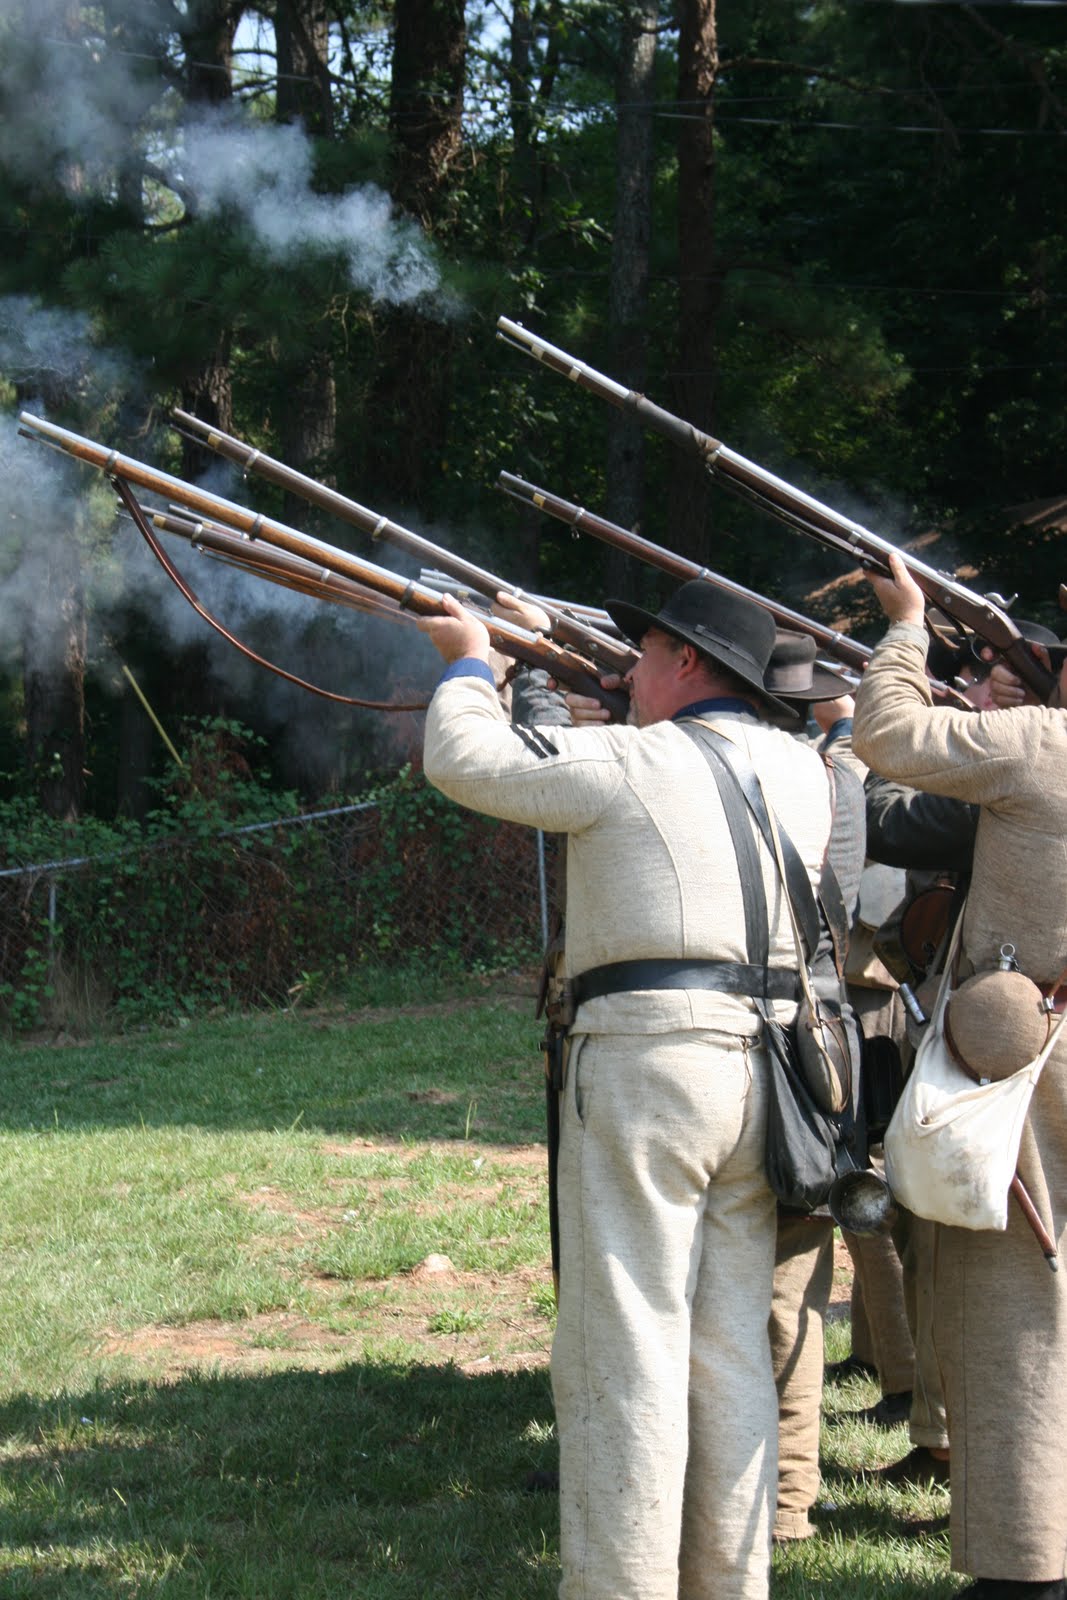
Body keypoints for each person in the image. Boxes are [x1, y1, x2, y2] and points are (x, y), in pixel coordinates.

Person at [418, 580, 834, 1600]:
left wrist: (475, 659)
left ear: (687, 663)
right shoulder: (800, 768)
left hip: (649, 1066)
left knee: (621, 1346)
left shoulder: (633, 759)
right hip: (763, 1074)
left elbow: (461, 759)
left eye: (643, 652)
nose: (627, 668)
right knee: (728, 1343)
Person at [852, 551, 1067, 1600]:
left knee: (1008, 1307)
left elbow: (882, 738)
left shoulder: (1039, 744)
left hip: (1038, 1072)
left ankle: (1021, 1564)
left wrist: (903, 623)